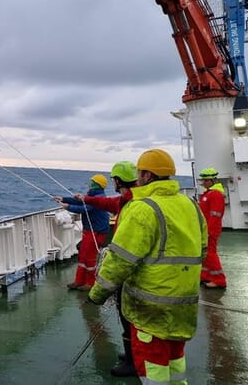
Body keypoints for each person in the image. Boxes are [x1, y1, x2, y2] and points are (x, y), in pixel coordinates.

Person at [87, 149, 207, 385]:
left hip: (151, 306)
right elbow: (202, 247)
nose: (138, 176)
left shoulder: (142, 208)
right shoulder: (190, 204)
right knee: (175, 358)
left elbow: (120, 260)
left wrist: (97, 294)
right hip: (184, 301)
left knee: (153, 366)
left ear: (148, 175)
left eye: (140, 172)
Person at [73, 161, 138, 377]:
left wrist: (98, 293)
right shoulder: (130, 200)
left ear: (118, 181)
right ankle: (133, 354)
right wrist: (85, 198)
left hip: (133, 275)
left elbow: (122, 257)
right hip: (144, 274)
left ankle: (134, 361)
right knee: (129, 317)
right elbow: (104, 203)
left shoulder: (135, 205)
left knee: (129, 315)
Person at [55, 174, 110, 291]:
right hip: (89, 230)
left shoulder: (99, 198)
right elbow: (80, 202)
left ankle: (90, 283)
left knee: (90, 257)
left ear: (96, 185)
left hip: (97, 231)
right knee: (83, 255)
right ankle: (79, 281)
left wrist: (68, 207)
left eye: (91, 183)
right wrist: (63, 199)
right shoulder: (92, 196)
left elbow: (84, 209)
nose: (89, 185)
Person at [198, 167, 227, 289]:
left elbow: (215, 215)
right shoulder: (209, 194)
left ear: (213, 181)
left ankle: (219, 280)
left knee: (210, 253)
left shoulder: (215, 195)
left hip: (210, 231)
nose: (203, 183)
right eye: (203, 180)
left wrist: (209, 231)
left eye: (206, 180)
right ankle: (205, 276)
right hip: (206, 230)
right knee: (205, 254)